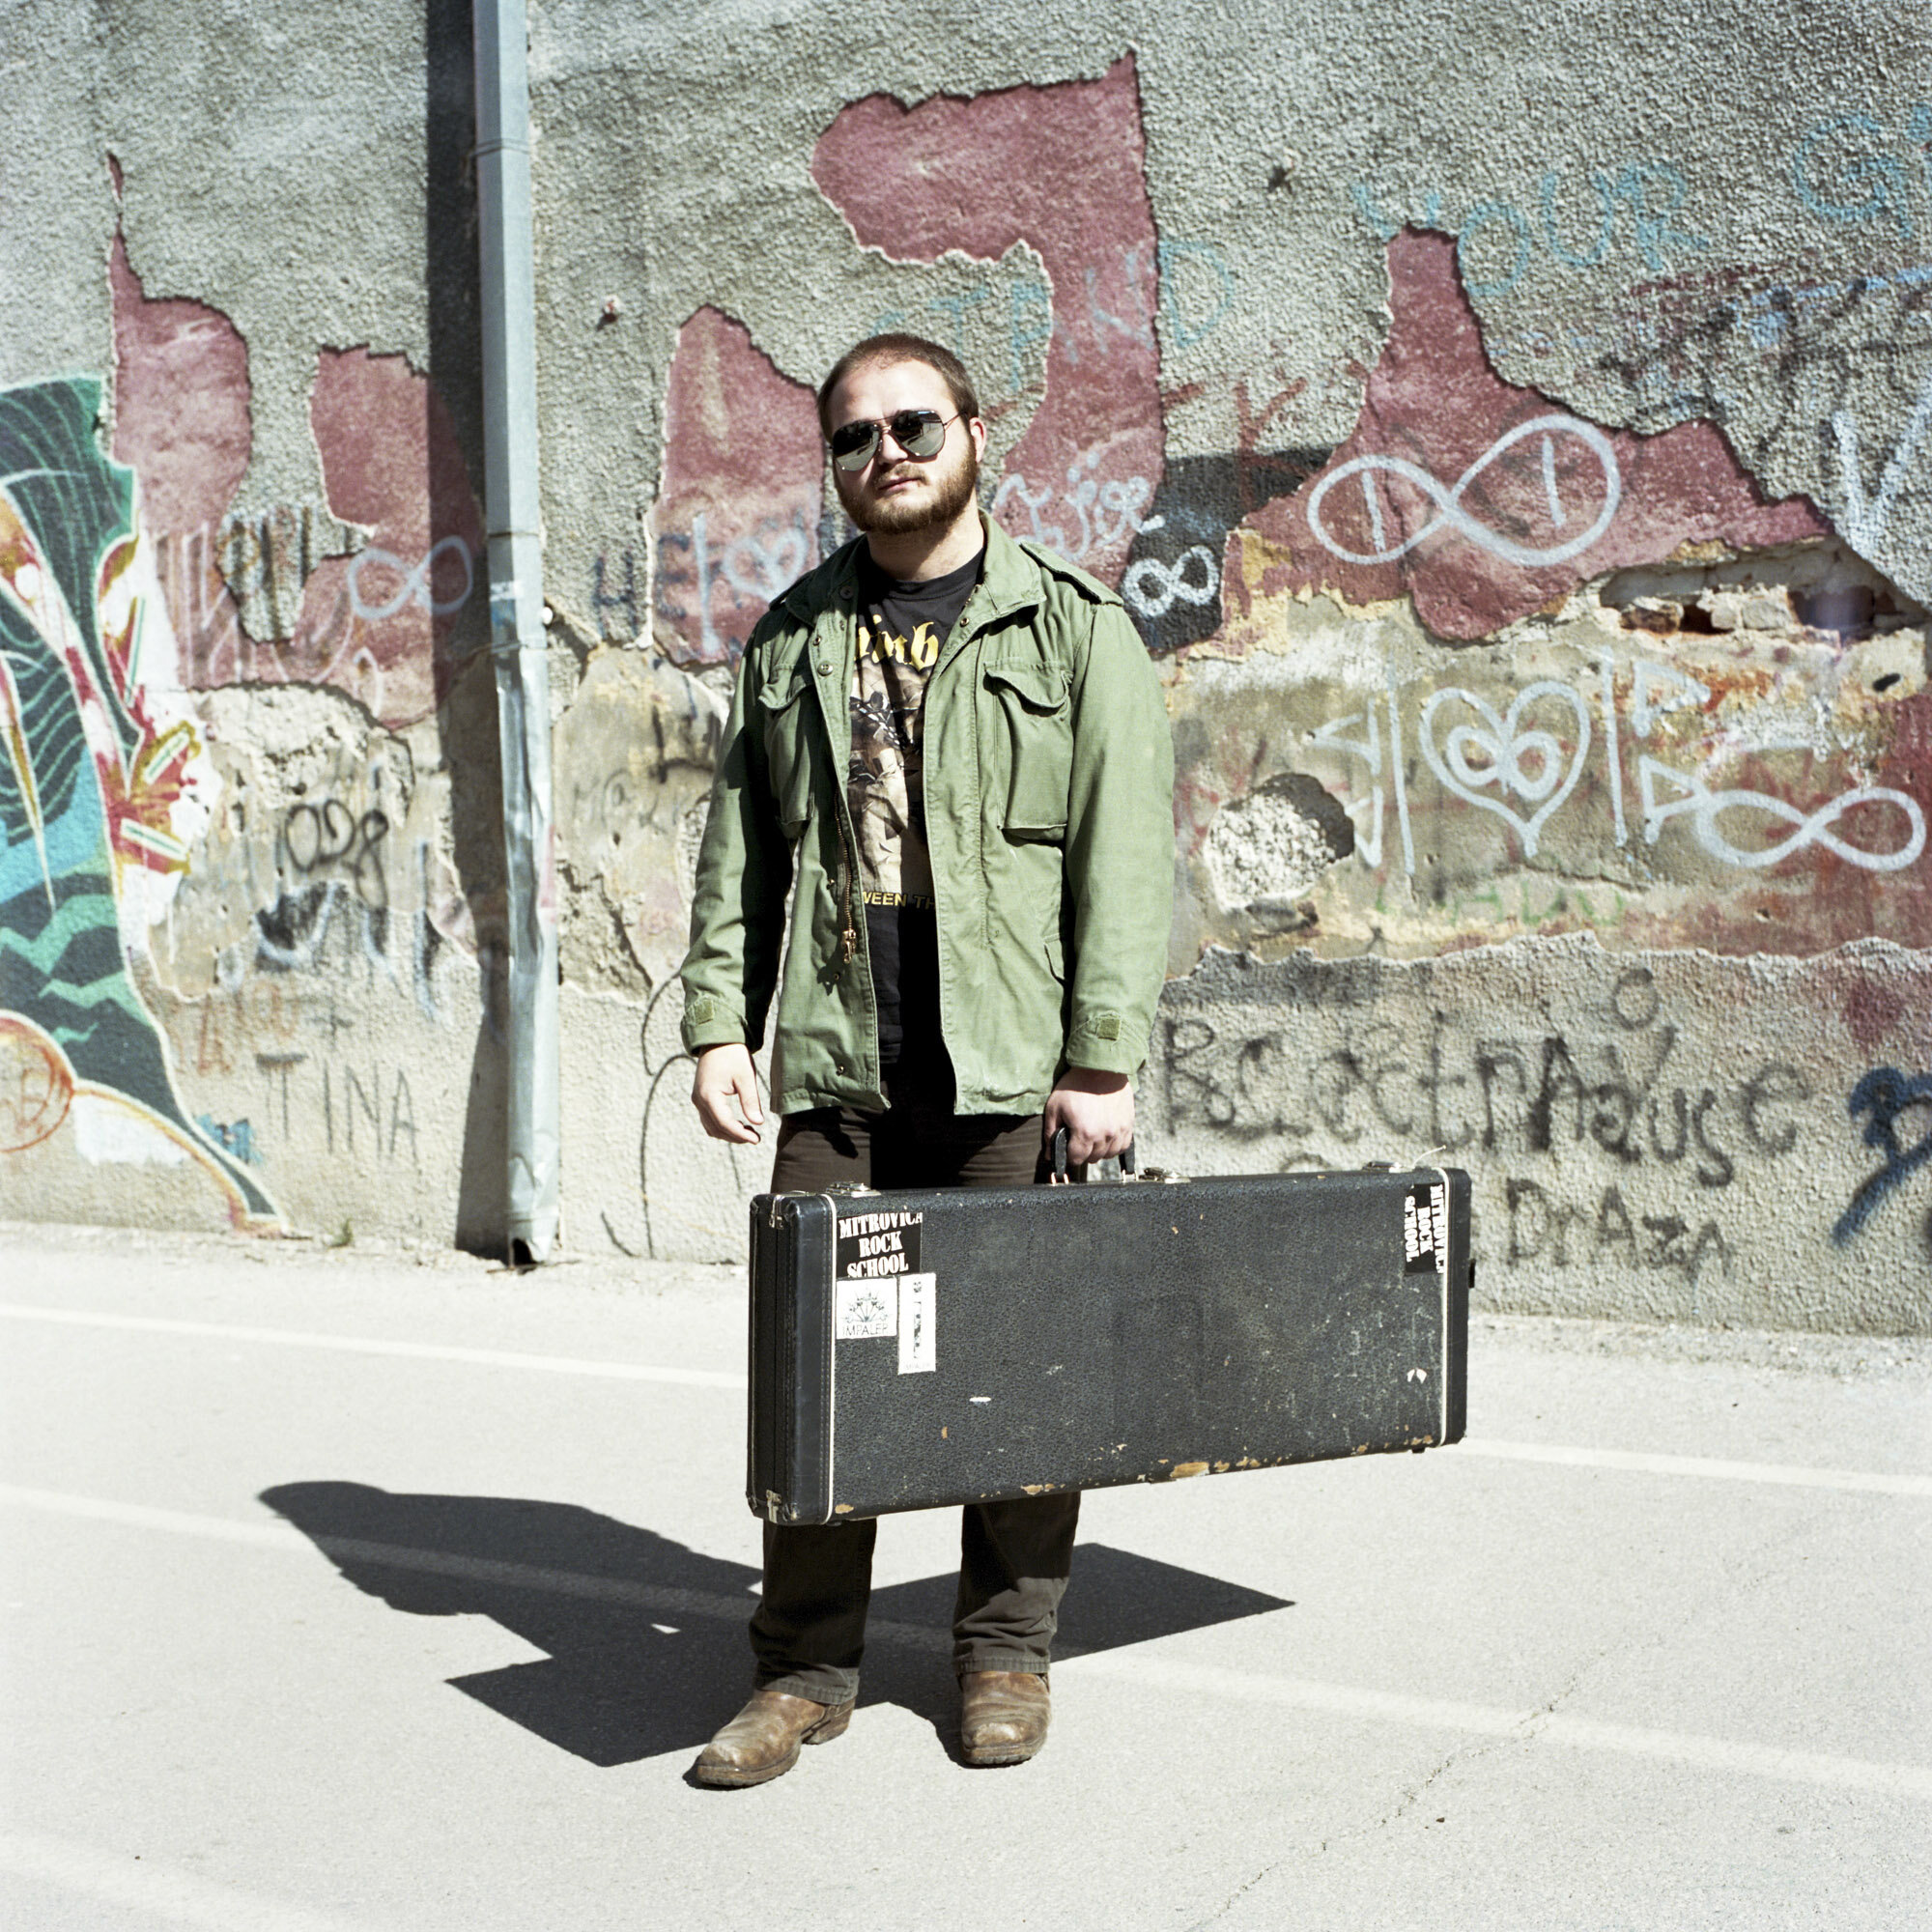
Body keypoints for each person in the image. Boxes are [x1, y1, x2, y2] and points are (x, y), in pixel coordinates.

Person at [678, 332, 1174, 1785]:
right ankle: (804, 1672)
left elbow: (1123, 863)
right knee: (822, 1382)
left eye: (911, 425)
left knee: (1021, 1379)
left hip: (1016, 1072)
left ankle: (1006, 1654)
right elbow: (739, 855)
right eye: (852, 437)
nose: (883, 453)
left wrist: (1101, 1060)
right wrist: (720, 1018)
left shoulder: (1075, 630)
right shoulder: (791, 639)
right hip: (840, 1074)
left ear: (972, 432)